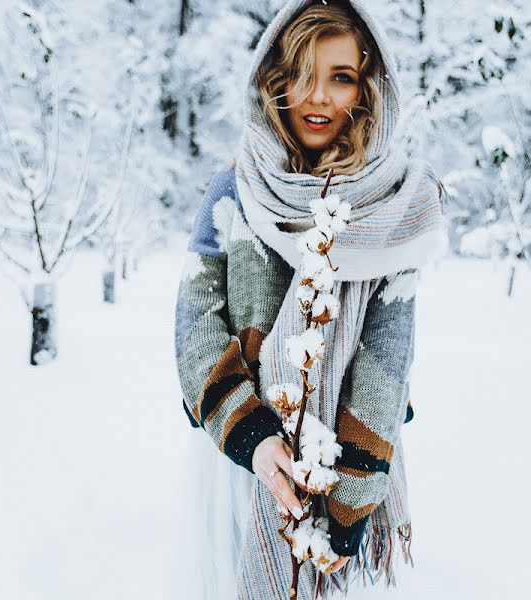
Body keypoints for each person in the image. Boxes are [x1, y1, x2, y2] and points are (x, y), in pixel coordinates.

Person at [173, 1, 444, 598]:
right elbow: (196, 326)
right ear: (275, 81)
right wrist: (254, 436)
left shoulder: (392, 205)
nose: (318, 96)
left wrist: (349, 499)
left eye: (340, 77)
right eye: (301, 73)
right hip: (242, 452)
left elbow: (387, 356)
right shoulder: (236, 190)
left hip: (353, 456)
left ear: (368, 89)